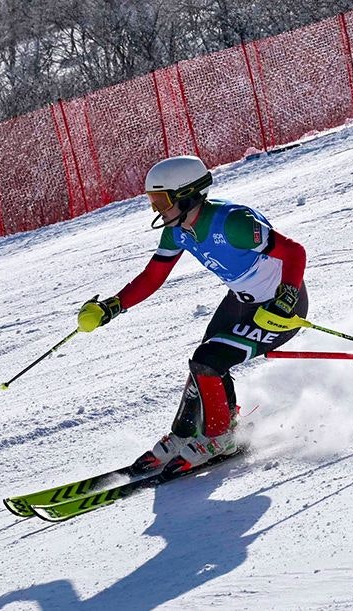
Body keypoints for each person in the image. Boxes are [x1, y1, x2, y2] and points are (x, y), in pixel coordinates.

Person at [77, 155, 308, 476]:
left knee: (209, 359)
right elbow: (153, 276)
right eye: (153, 201)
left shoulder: (233, 223)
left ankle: (220, 437)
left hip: (281, 307)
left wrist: (287, 296)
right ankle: (185, 432)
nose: (156, 209)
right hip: (241, 300)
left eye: (161, 201)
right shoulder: (177, 230)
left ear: (186, 195)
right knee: (203, 366)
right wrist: (113, 306)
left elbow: (294, 252)